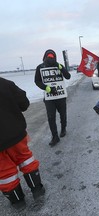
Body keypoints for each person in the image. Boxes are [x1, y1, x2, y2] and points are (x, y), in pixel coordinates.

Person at [0, 77, 45, 210]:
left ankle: (18, 201)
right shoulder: (5, 84)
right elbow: (24, 103)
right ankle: (37, 190)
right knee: (26, 160)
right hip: (16, 134)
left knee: (4, 172)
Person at [35, 49, 71, 146]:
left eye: (52, 57)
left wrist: (61, 68)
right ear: (45, 57)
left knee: (63, 114)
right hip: (49, 98)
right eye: (49, 57)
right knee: (51, 118)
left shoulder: (59, 66)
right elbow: (37, 81)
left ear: (55, 57)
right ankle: (55, 136)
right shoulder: (40, 67)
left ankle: (63, 128)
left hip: (61, 96)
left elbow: (68, 76)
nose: (50, 59)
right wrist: (47, 88)